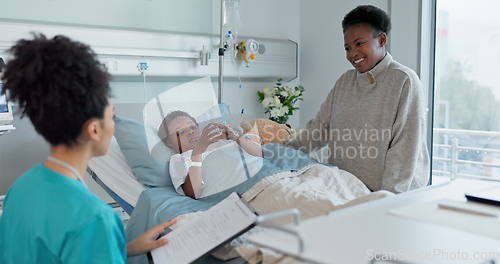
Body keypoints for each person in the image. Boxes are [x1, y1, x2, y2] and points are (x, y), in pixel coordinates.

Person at [0, 34, 176, 263]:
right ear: (94, 130)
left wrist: (124, 248)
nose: (114, 125)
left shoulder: (21, 189)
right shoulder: (94, 218)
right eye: (112, 116)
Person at [287, 5, 429, 193]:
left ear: (381, 40)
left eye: (359, 43)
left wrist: (387, 199)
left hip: (389, 196)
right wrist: (278, 153)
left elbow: (404, 149)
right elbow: (318, 130)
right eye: (347, 47)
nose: (352, 53)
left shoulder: (404, 81)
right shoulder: (345, 82)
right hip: (346, 190)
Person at [158, 111, 263, 199]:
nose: (190, 132)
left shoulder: (222, 141)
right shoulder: (178, 159)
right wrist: (198, 151)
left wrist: (237, 138)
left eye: (192, 127)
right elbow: (193, 193)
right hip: (248, 191)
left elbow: (260, 154)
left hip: (266, 174)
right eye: (180, 132)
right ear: (168, 143)